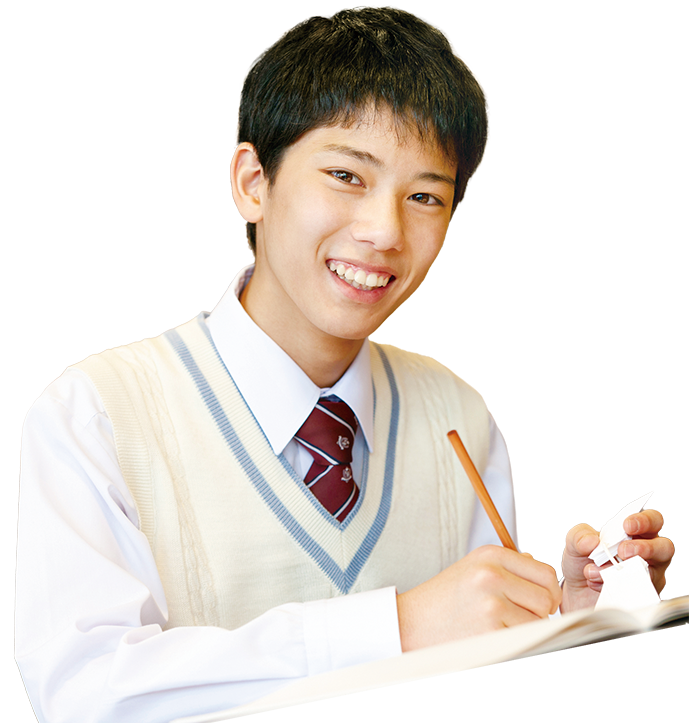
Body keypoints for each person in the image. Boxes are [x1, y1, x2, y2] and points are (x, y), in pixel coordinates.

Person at [14, 7, 674, 723]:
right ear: (253, 182)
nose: (384, 231)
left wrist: (563, 623)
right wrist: (396, 626)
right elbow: (85, 695)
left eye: (424, 196)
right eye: (345, 175)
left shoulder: (457, 416)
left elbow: (478, 686)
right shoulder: (97, 416)